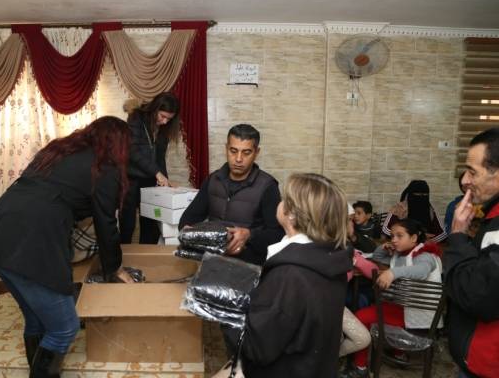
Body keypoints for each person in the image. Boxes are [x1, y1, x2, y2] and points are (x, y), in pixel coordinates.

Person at [0, 116, 135, 377]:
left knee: (36, 319)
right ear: (120, 145)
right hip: (32, 241)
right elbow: (106, 224)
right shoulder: (104, 167)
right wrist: (115, 268)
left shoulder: (58, 151)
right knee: (65, 327)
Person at [238, 173, 353, 377]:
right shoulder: (330, 258)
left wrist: (227, 313)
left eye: (284, 198)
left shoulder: (290, 274)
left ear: (291, 214)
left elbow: (257, 347)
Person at [341, 218, 443, 378]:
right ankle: (399, 352)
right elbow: (377, 257)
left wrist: (392, 273)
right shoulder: (401, 254)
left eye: (399, 236)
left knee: (361, 317)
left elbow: (421, 271)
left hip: (416, 314)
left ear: (414, 238)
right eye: (392, 236)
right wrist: (383, 248)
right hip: (403, 308)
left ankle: (360, 368)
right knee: (373, 308)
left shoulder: (425, 255)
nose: (394, 240)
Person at [178, 124, 284, 265]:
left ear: (256, 152)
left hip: (250, 266)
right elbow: (187, 220)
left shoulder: (267, 186)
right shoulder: (213, 180)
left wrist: (249, 235)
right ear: (226, 148)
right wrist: (190, 234)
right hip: (212, 262)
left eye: (246, 152)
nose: (238, 159)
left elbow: (277, 234)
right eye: (233, 151)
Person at [443, 128, 499, 378]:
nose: (465, 180)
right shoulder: (491, 217)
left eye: (472, 172)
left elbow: (476, 296)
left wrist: (457, 235)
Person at [119, 92, 181, 244]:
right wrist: (157, 173)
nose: (165, 122)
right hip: (130, 178)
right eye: (163, 116)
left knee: (150, 222)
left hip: (149, 178)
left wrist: (165, 180)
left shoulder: (164, 128)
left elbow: (160, 158)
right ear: (155, 108)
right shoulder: (136, 118)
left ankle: (147, 253)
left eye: (169, 119)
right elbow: (133, 151)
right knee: (127, 223)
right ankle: (122, 253)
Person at [382, 180, 447, 243]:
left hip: (424, 246)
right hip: (403, 246)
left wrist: (428, 241)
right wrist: (415, 237)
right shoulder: (399, 208)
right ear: (410, 194)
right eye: (417, 194)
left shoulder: (430, 210)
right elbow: (386, 229)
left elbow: (443, 233)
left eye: (425, 194)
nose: (421, 197)